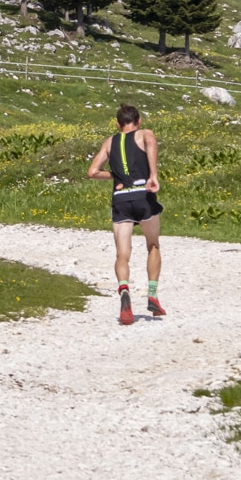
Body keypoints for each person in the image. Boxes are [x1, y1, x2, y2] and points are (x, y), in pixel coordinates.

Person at [86, 103, 163, 325]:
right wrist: (153, 175)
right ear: (138, 121)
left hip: (121, 199)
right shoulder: (144, 133)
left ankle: (124, 292)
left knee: (122, 254)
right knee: (153, 245)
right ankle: (152, 294)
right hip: (143, 195)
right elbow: (150, 142)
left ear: (117, 124)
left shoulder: (110, 142)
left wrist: (116, 176)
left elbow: (92, 172)